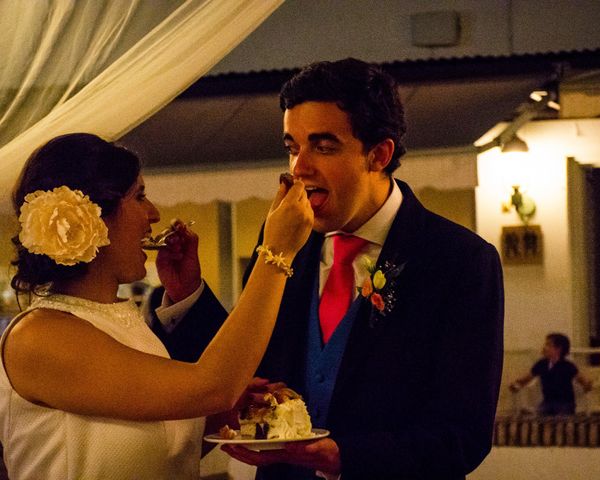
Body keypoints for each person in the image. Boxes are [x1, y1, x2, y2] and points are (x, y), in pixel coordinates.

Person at [160, 58, 504, 480]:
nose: (299, 168)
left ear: (379, 154)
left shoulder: (459, 260)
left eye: (323, 147)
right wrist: (188, 295)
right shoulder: (284, 241)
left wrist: (342, 457)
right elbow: (241, 371)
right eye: (292, 147)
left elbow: (462, 436)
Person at [0, 132, 313, 479]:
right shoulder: (39, 336)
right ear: (94, 217)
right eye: (140, 196)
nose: (153, 214)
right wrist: (276, 253)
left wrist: (225, 414)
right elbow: (213, 386)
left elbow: (160, 446)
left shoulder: (124, 322)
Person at [509, 333, 592, 415]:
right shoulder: (541, 364)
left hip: (565, 403)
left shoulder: (568, 366)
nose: (544, 348)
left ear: (558, 349)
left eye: (548, 345)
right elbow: (526, 378)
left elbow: (582, 380)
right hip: (548, 402)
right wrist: (517, 383)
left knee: (561, 418)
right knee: (540, 417)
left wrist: (587, 384)